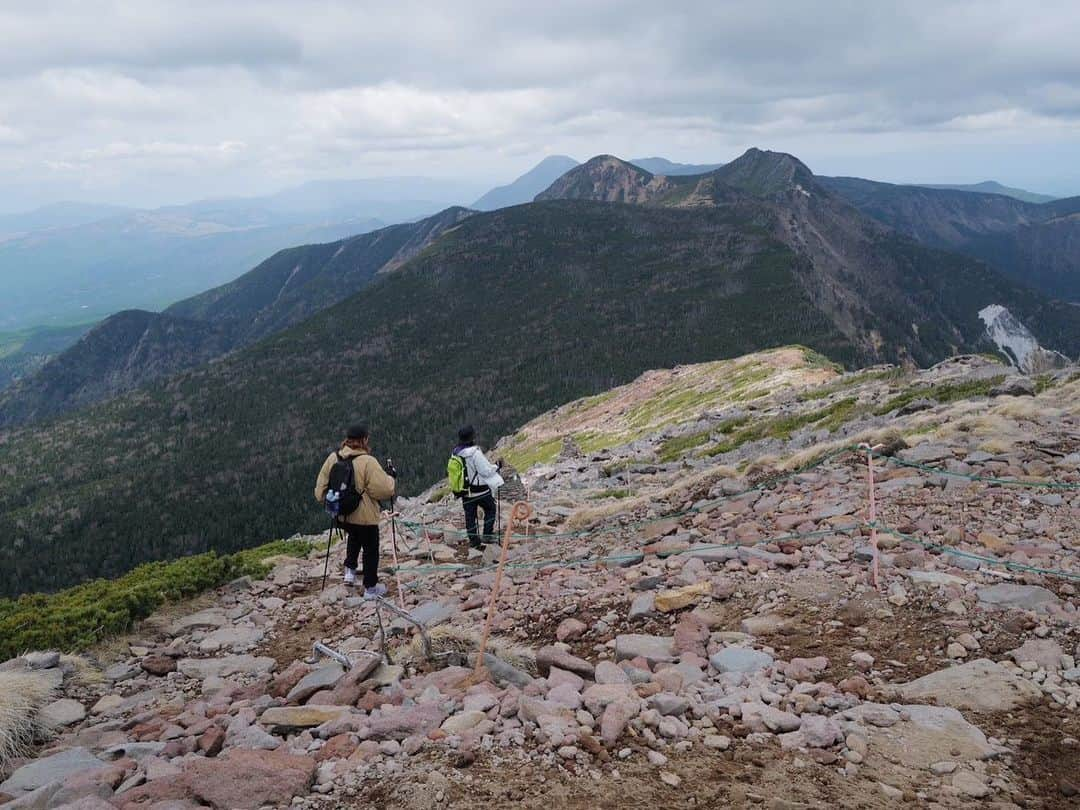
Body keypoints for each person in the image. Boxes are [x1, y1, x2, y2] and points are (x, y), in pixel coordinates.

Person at [314, 423, 396, 598]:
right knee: (370, 549)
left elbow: (319, 492)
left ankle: (349, 573)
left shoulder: (333, 457)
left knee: (353, 537)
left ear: (347, 440)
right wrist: (390, 477)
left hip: (342, 515)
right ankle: (370, 589)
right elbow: (384, 490)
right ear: (364, 440)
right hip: (365, 517)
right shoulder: (368, 461)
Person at [453, 424, 504, 549]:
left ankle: (474, 541)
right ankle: (487, 535)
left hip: (464, 491)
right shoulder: (475, 453)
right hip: (479, 490)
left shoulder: (456, 453)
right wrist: (497, 466)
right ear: (472, 437)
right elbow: (485, 471)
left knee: (470, 516)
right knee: (490, 509)